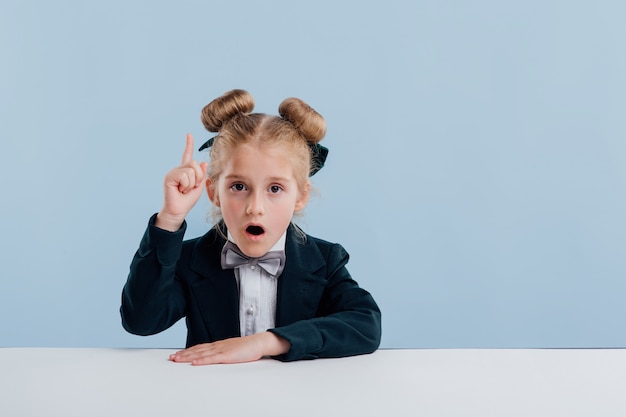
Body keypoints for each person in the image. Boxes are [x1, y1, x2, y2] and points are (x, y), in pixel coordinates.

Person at [120, 89, 381, 365]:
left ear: (301, 196)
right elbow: (140, 321)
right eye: (239, 186)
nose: (255, 207)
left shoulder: (325, 261)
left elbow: (365, 325)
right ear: (214, 192)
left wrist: (265, 342)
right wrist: (170, 218)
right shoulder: (189, 260)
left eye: (275, 188)